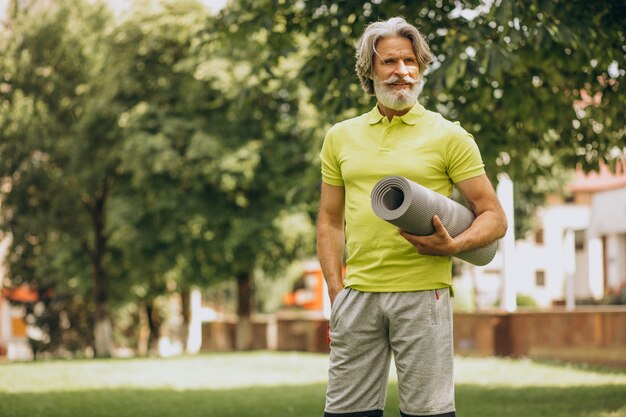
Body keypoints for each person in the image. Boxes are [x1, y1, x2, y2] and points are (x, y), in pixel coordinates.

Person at [317, 17, 508, 417]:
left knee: (428, 414)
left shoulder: (450, 136)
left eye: (409, 61)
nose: (401, 72)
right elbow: (330, 221)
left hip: (424, 295)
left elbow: (494, 216)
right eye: (389, 62)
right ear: (370, 70)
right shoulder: (340, 136)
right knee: (346, 413)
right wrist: (337, 293)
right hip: (358, 295)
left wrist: (456, 244)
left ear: (420, 67)